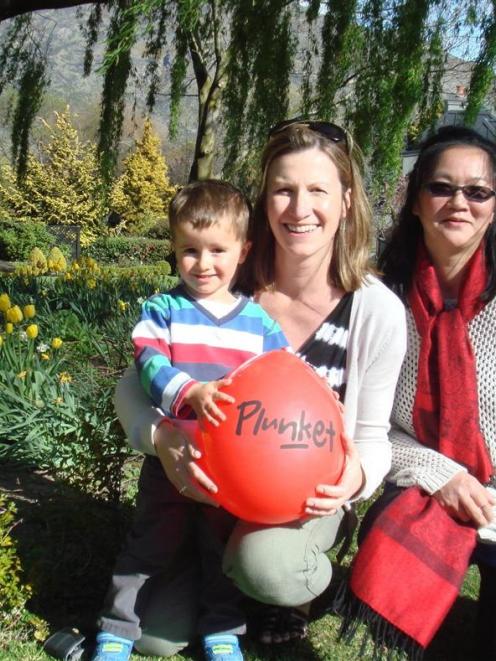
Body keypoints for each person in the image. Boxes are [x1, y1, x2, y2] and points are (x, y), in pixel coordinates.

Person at [113, 118, 407, 658]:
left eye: (317, 190)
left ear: (346, 201)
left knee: (265, 566)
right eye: (283, 190)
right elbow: (131, 384)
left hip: (304, 502)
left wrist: (355, 478)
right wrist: (162, 441)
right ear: (264, 202)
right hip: (209, 492)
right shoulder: (224, 279)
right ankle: (221, 584)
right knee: (157, 637)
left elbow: (373, 436)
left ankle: (290, 587)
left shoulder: (375, 310)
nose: (299, 209)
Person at [92, 180, 288, 661]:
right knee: (149, 545)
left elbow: (282, 378)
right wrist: (191, 393)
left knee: (221, 550)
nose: (203, 264)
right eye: (189, 251)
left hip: (231, 468)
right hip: (170, 462)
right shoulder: (163, 311)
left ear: (242, 251)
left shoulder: (259, 324)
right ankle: (116, 629)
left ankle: (223, 628)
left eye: (217, 250)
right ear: (174, 251)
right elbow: (149, 363)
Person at [339, 125, 496, 660]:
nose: (459, 203)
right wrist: (441, 473)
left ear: (494, 207)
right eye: (441, 188)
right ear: (415, 200)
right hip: (418, 474)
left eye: (477, 192)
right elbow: (370, 424)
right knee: (395, 532)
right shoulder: (383, 302)